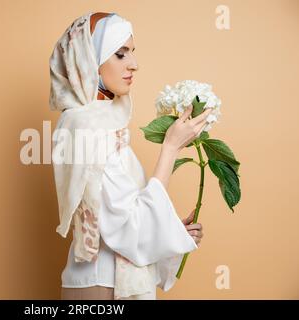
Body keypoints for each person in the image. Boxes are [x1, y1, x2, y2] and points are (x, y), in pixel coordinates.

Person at [49, 11, 210, 300]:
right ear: (90, 61)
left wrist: (172, 230)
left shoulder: (104, 122)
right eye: (120, 54)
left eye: (133, 53)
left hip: (105, 282)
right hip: (101, 288)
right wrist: (170, 149)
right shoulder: (85, 127)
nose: (134, 64)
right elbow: (129, 227)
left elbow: (124, 213)